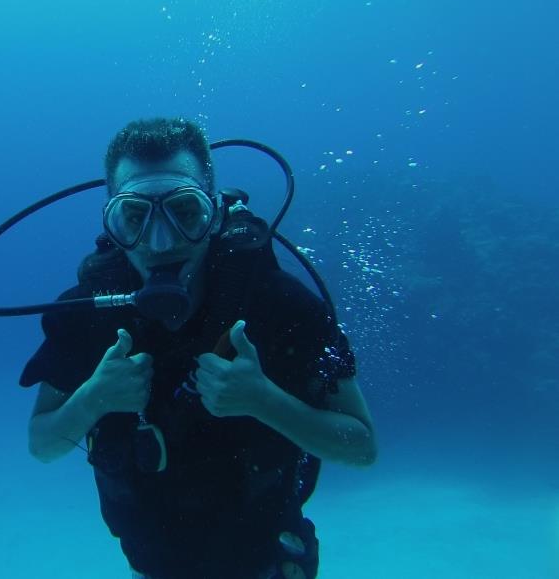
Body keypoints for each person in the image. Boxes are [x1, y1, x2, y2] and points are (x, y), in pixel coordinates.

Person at [19, 118, 377, 579]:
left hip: (267, 563)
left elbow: (362, 448)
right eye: (135, 216)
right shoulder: (84, 316)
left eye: (184, 212)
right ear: (113, 221)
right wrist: (94, 398)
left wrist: (265, 401)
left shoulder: (282, 306)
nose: (161, 241)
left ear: (213, 213)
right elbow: (42, 444)